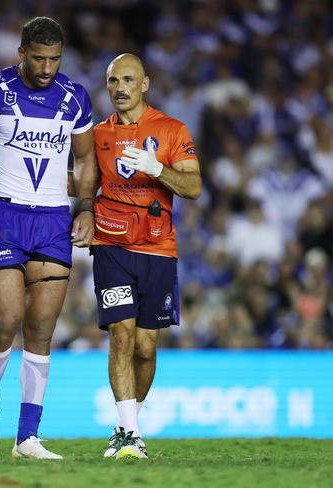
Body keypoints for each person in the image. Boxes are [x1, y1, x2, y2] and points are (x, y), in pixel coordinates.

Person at [0, 16, 97, 460]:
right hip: (3, 215)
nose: (46, 68)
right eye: (39, 59)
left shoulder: (75, 98)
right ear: (21, 53)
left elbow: (86, 160)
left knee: (41, 329)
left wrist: (86, 209)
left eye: (54, 60)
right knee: (6, 319)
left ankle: (27, 437)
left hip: (52, 221)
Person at [91, 53, 202, 459]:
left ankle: (124, 425)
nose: (119, 88)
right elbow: (85, 182)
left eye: (127, 80)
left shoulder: (172, 130)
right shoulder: (96, 135)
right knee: (121, 337)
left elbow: (193, 187)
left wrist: (157, 169)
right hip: (111, 247)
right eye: (112, 80)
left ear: (144, 84)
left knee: (145, 348)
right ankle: (132, 436)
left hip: (158, 249)